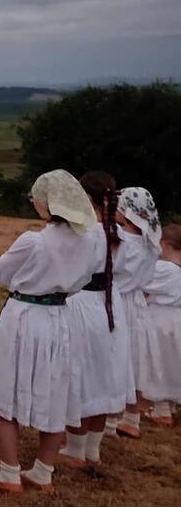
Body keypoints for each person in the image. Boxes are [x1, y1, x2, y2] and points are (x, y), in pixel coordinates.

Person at [0, 169, 98, 495]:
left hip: (24, 317)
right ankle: (43, 470)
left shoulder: (34, 241)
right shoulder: (89, 242)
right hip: (60, 318)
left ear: (49, 203)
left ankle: (9, 471)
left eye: (36, 198)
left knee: (2, 388)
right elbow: (85, 279)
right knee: (55, 391)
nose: (33, 203)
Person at [57, 171, 126, 467]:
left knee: (80, 374)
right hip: (110, 304)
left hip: (82, 304)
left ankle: (76, 448)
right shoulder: (117, 233)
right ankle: (91, 448)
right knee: (102, 375)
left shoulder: (82, 232)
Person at [109, 186, 163, 438]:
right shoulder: (150, 245)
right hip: (138, 304)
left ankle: (108, 420)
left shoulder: (120, 240)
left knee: (114, 359)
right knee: (135, 359)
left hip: (116, 302)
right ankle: (132, 417)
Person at [139, 223, 181, 425]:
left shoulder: (164, 269)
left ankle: (162, 410)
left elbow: (140, 282)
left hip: (161, 321)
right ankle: (170, 405)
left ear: (165, 244)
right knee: (174, 363)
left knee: (160, 363)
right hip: (176, 320)